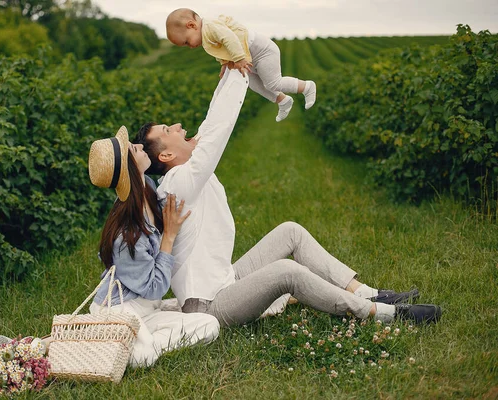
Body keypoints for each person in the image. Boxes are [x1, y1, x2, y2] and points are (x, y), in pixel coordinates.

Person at [135, 69, 442, 328]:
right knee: (286, 272)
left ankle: (368, 293)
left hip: (226, 280)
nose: (176, 125)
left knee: (290, 232)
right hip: (209, 305)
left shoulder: (186, 171)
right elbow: (218, 129)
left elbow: (209, 123)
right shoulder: (178, 183)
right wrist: (239, 73)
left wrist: (230, 68)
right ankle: (383, 315)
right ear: (166, 154)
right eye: (167, 129)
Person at [86, 125, 220, 368]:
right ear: (128, 169)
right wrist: (169, 235)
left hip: (148, 310)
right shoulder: (128, 234)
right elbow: (154, 287)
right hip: (119, 312)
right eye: (132, 150)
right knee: (143, 358)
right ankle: (114, 342)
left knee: (210, 325)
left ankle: (133, 343)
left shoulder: (147, 187)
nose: (138, 146)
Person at [166, 8, 316, 122]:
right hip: (250, 57)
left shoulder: (210, 26)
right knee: (253, 83)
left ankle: (307, 87)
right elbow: (221, 50)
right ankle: (283, 100)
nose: (190, 47)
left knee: (273, 83)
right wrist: (225, 63)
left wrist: (238, 58)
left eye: (186, 42)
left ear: (191, 25)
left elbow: (229, 38)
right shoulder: (205, 38)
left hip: (263, 52)